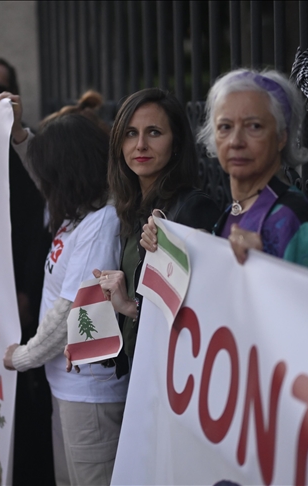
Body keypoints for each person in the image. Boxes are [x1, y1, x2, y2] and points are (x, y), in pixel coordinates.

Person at [2, 92, 129, 486]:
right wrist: (20, 135)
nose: (46, 184)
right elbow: (41, 176)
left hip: (89, 394)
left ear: (68, 172)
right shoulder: (82, 210)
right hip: (71, 387)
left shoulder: (100, 223)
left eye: (51, 172)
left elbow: (71, 309)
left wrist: (24, 356)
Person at [141, 70, 308, 272]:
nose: (236, 141)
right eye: (225, 127)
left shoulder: (297, 221)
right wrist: (176, 242)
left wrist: (266, 265)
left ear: (282, 137)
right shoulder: (234, 210)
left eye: (254, 126)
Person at [94, 88, 221, 375]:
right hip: (138, 368)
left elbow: (198, 312)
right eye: (130, 133)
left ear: (176, 142)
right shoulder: (132, 206)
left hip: (171, 377)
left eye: (154, 132)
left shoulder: (191, 209)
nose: (140, 145)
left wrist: (130, 307)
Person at [0, 57, 55, 486]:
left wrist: (26, 289)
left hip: (19, 291)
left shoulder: (26, 148)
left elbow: (38, 227)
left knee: (22, 390)